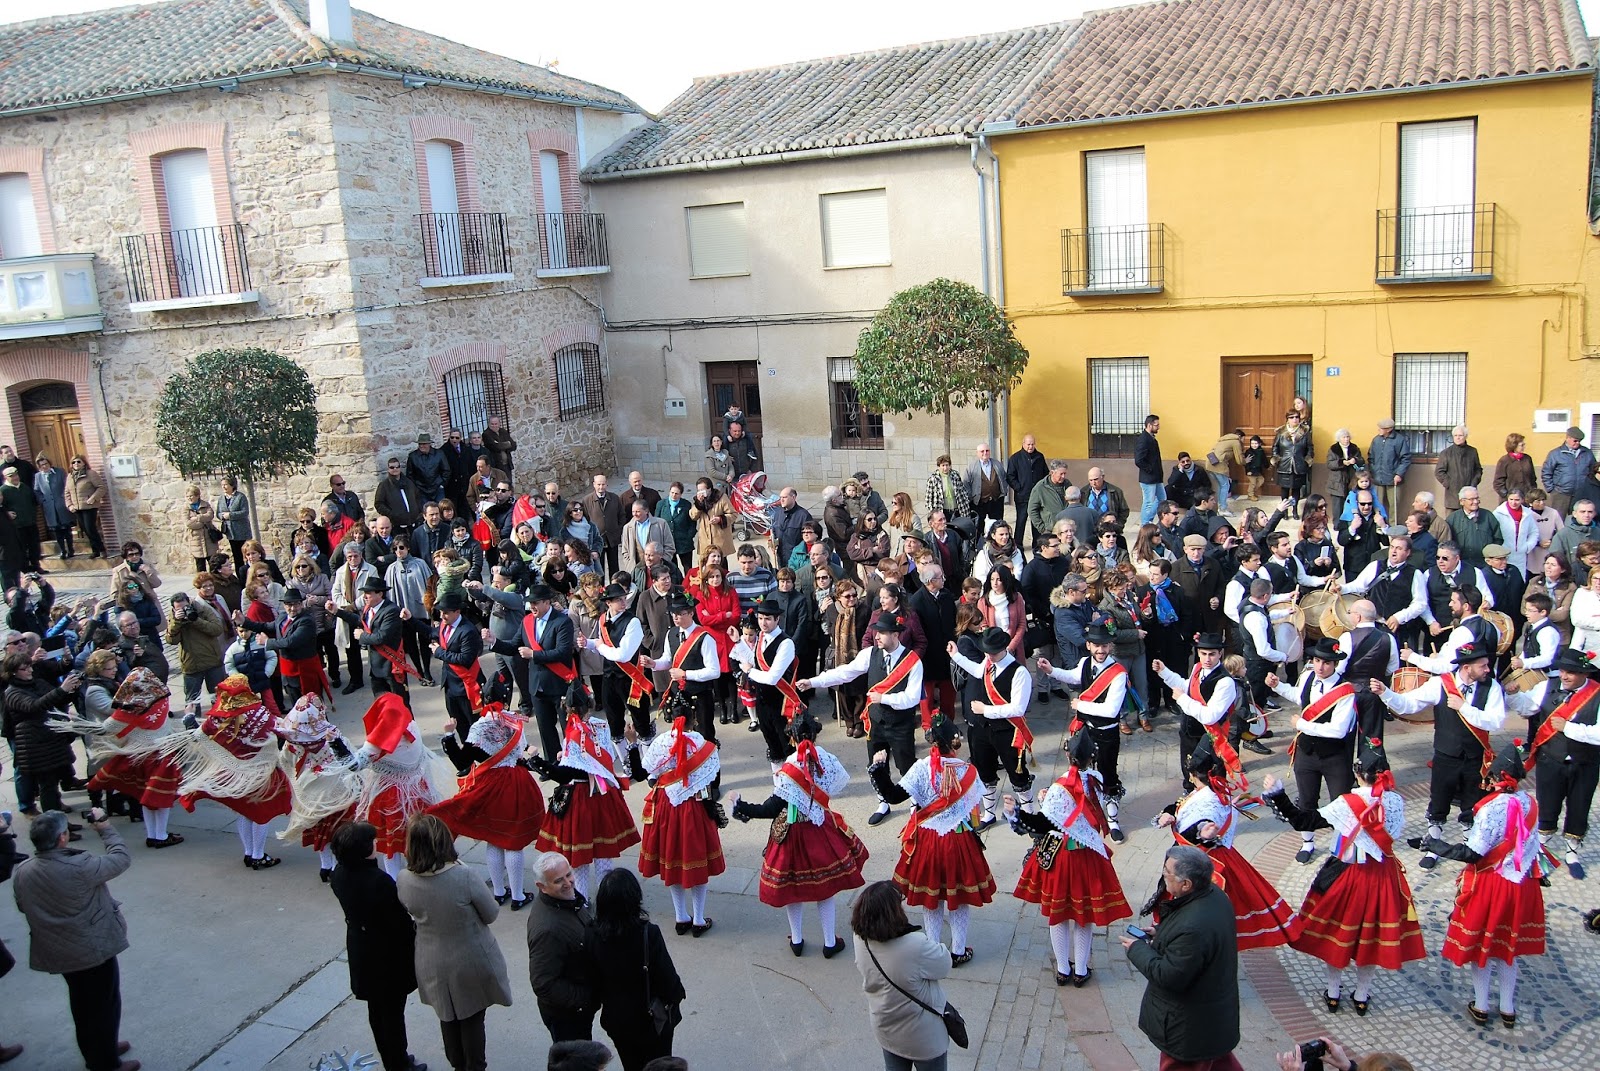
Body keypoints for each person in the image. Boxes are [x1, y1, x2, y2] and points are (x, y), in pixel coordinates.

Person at [1262, 741, 1427, 1014]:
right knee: (1370, 938)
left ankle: (1333, 991)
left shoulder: (1346, 803)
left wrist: (1278, 793)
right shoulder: (1396, 801)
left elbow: (1303, 821)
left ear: (1357, 774)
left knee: (1338, 934)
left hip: (1347, 875)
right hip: (1383, 875)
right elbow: (1394, 834)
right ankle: (1361, 995)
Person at [1423, 745, 1548, 1028]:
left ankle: (1481, 1005)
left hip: (1492, 884)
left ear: (1495, 778)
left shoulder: (1490, 809)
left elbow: (1473, 853)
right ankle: (1507, 1008)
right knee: (1507, 950)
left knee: (1483, 948)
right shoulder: (1531, 802)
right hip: (1522, 884)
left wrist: (1436, 846)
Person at [730, 710, 869, 957]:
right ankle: (829, 942)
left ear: (792, 737)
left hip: (792, 834)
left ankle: (797, 940)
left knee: (792, 888)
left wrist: (741, 806)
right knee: (825, 889)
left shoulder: (789, 768)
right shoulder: (826, 759)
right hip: (820, 830)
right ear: (815, 735)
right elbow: (836, 785)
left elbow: (771, 808)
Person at [12, 808, 138, 1071]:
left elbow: (24, 906)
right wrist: (105, 828)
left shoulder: (24, 870)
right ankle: (105, 1063)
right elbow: (120, 858)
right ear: (62, 838)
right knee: (103, 1005)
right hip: (91, 949)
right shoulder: (79, 866)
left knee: (83, 1004)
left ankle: (101, 1048)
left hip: (60, 952)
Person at [1005, 727, 1131, 987]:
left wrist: (1016, 812)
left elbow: (1043, 824)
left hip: (1062, 857)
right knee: (1083, 915)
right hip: (1088, 856)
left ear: (1067, 755)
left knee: (1059, 914)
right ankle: (1081, 970)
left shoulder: (1059, 788)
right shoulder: (1095, 780)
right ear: (1091, 757)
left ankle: (1063, 969)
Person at [1152, 736, 1300, 950]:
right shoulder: (1209, 792)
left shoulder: (1210, 799)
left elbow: (1203, 823)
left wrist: (1203, 831)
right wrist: (1168, 815)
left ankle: (1191, 944)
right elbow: (1179, 805)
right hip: (1199, 856)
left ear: (1193, 775)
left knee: (1195, 906)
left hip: (1203, 862)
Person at [867, 717, 994, 965]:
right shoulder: (968, 771)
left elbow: (892, 796)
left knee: (931, 898)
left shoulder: (921, 768)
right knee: (959, 898)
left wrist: (879, 768)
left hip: (927, 840)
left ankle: (933, 949)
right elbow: (975, 813)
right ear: (955, 742)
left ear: (932, 742)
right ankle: (958, 950)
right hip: (959, 840)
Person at [397, 814, 513, 1071]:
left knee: (446, 1014)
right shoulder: (463, 876)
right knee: (472, 1017)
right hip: (467, 958)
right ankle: (473, 1066)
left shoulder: (404, 879)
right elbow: (491, 913)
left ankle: (457, 1062)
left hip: (430, 959)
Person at [1120, 844, 1241, 1071]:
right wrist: (1161, 933)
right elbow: (1188, 934)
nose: (1163, 876)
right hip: (1212, 1020)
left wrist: (1137, 949)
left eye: (1167, 872)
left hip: (1188, 1029)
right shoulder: (1214, 896)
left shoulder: (1193, 928)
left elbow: (1169, 976)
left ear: (1186, 884)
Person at [528, 682, 641, 900]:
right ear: (590, 705)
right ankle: (607, 900)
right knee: (604, 855)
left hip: (580, 799)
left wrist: (537, 762)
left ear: (567, 708)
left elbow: (565, 774)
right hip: (604, 795)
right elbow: (606, 758)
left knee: (578, 859)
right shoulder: (601, 725)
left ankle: (581, 902)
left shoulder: (573, 731)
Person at [328, 822, 426, 1071]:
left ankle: (392, 1059)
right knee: (392, 1014)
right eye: (372, 842)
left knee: (377, 1012)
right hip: (386, 956)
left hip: (362, 950)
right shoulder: (378, 881)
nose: (376, 845)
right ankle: (398, 1063)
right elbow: (399, 922)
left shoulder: (339, 874)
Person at [431, 702, 545, 909]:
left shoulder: (480, 727)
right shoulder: (513, 721)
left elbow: (461, 762)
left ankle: (499, 892)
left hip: (491, 786)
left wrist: (449, 735)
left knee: (494, 839)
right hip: (517, 784)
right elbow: (520, 755)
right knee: (513, 841)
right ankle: (518, 896)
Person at [637, 694, 724, 936]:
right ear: (693, 718)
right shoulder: (702, 743)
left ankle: (680, 917)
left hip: (666, 806)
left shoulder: (661, 742)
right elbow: (712, 779)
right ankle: (698, 919)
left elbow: (650, 776)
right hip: (694, 806)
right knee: (697, 862)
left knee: (672, 860)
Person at [69, 669, 184, 849]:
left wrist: (77, 723)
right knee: (161, 798)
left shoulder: (127, 709)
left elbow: (105, 728)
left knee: (145, 796)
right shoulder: (160, 700)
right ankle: (161, 835)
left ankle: (152, 835)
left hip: (138, 756)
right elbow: (168, 726)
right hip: (160, 756)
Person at [1038, 623, 1131, 841]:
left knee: (1108, 776)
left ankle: (1112, 821)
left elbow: (1110, 710)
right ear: (1088, 645)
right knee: (1080, 774)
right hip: (1084, 731)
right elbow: (1074, 676)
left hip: (1106, 733)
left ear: (1110, 646)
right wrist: (1051, 671)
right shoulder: (1085, 662)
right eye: (1096, 645)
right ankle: (1085, 812)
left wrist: (1081, 705)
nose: (1101, 650)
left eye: (1105, 645)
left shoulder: (1118, 674)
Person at [350, 692, 456, 878]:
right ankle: (417, 872)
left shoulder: (379, 740)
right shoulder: (411, 726)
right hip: (416, 790)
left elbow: (354, 765)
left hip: (389, 796)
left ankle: (395, 879)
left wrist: (335, 743)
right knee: (414, 836)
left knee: (391, 843)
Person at [851, 880, 954, 1071]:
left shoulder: (860, 939)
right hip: (924, 1037)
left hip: (886, 1029)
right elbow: (944, 964)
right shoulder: (915, 945)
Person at [590, 868, 685, 1071]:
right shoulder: (648, 934)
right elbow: (667, 979)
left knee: (630, 1064)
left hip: (617, 1019)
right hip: (650, 1020)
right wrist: (676, 997)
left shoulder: (592, 933)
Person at [526, 851, 600, 1043]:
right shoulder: (547, 930)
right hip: (567, 1017)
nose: (568, 883)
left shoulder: (566, 901)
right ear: (542, 886)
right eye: (558, 880)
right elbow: (543, 983)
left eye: (568, 874)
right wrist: (585, 999)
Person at [3, 650, 82, 817]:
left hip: (51, 739)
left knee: (53, 784)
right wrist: (62, 690)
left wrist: (72, 689)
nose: (30, 670)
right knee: (47, 785)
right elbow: (34, 706)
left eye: (30, 666)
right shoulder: (12, 692)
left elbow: (58, 699)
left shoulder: (37, 682)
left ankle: (60, 820)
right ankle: (53, 822)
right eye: (25, 668)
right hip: (34, 744)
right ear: (13, 672)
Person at [1153, 632, 1237, 790]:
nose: (1207, 659)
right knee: (1189, 775)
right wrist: (1164, 672)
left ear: (1220, 653)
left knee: (1209, 781)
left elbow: (1210, 716)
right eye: (1203, 654)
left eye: (1212, 654)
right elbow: (1187, 686)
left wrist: (1182, 699)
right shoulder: (1198, 668)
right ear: (1198, 652)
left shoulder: (1225, 682)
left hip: (1209, 738)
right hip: (1188, 734)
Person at [1541, 426, 1595, 515]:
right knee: (1558, 520)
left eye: (1579, 441)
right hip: (1561, 494)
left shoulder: (1587, 453)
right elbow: (1546, 472)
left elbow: (1593, 471)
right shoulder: (1555, 454)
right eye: (1575, 441)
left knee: (1579, 519)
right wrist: (1552, 490)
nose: (1578, 443)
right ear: (1568, 438)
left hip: (1581, 494)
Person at [1006, 434, 1048, 544]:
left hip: (1037, 497)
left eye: (1032, 444)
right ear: (1023, 444)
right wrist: (1019, 488)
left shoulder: (1039, 457)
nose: (1030, 447)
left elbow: (1045, 474)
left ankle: (1037, 545)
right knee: (1021, 521)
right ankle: (1018, 545)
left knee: (1036, 522)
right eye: (1028, 444)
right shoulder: (1015, 458)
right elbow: (1010, 476)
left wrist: (1042, 489)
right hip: (1022, 496)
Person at [1367, 418, 1410, 522]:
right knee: (1377, 504)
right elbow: (1370, 457)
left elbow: (1406, 458)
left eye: (1381, 428)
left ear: (1389, 429)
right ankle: (1379, 525)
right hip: (1377, 478)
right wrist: (1373, 471)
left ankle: (1393, 526)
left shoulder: (1399, 440)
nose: (1378, 430)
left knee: (1394, 505)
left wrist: (1399, 474)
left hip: (1393, 478)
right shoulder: (1376, 440)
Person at [64, 455, 106, 559]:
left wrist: (93, 498)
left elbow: (101, 487)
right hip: (77, 508)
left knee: (90, 528)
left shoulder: (90, 474)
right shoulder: (70, 476)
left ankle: (101, 549)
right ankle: (95, 550)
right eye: (73, 462)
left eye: (79, 462)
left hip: (89, 507)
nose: (76, 464)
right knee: (85, 530)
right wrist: (70, 505)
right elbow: (67, 493)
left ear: (84, 463)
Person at [964, 443, 1005, 524]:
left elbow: (1004, 477)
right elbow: (966, 483)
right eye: (982, 451)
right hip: (979, 502)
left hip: (996, 501)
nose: (985, 453)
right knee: (979, 525)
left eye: (987, 451)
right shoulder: (971, 467)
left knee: (997, 525)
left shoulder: (997, 464)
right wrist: (971, 497)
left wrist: (1003, 492)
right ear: (977, 453)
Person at [1135, 414, 1164, 524]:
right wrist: (1150, 469)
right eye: (1156, 425)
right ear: (1149, 425)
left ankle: (1159, 522)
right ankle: (1145, 524)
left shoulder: (1151, 438)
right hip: (1148, 478)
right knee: (1149, 503)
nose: (1158, 427)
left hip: (1156, 477)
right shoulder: (1144, 439)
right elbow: (1138, 460)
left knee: (1162, 500)